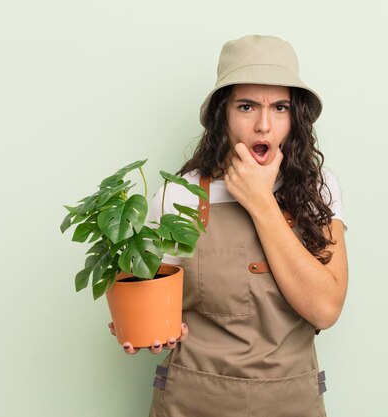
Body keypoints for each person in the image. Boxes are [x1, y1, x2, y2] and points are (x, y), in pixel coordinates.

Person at [108, 34, 348, 417]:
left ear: (296, 116)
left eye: (280, 107)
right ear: (224, 114)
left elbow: (325, 309)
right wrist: (141, 327)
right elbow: (146, 295)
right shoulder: (179, 195)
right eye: (247, 106)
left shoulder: (319, 189)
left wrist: (260, 200)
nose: (264, 125)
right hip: (190, 402)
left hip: (292, 404)